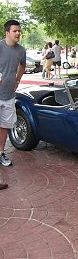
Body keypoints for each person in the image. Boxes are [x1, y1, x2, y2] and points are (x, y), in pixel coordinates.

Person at [0, 20, 26, 175]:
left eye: (19, 31)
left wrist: (17, 79)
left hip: (9, 95)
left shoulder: (21, 50)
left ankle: (1, 153)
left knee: (4, 126)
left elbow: (22, 65)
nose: (18, 33)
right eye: (15, 31)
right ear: (7, 32)